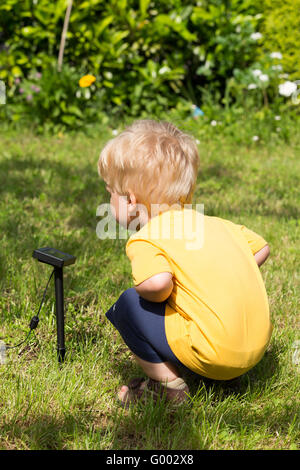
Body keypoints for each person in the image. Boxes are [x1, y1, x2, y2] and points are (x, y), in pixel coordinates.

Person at [97, 119, 272, 407]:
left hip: (215, 353)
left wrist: (159, 293)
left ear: (130, 200)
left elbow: (157, 284)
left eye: (109, 193)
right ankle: (224, 379)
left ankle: (167, 389)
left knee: (127, 304)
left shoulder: (147, 239)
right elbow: (261, 247)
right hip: (254, 350)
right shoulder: (216, 224)